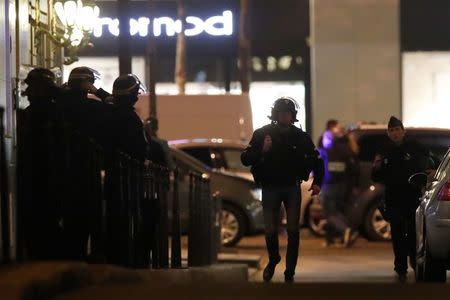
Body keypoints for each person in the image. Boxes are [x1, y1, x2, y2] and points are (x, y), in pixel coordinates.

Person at [241, 97, 323, 283]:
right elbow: (245, 158)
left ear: (293, 115)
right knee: (270, 229)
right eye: (281, 113)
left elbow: (316, 160)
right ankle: (273, 259)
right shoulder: (263, 133)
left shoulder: (300, 136)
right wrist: (262, 150)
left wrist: (318, 181)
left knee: (293, 230)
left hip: (292, 186)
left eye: (288, 113)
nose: (284, 116)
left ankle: (289, 272)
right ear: (275, 114)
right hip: (270, 186)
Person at [371, 116, 436, 282]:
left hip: (413, 196)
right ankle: (400, 266)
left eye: (397, 130)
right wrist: (376, 167)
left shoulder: (415, 146)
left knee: (414, 233)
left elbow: (431, 160)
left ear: (403, 131)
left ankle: (415, 262)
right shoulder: (384, 150)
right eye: (391, 130)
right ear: (388, 133)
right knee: (397, 233)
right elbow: (376, 177)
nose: (395, 133)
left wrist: (432, 170)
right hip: (393, 197)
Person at [17, 68, 64, 259]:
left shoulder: (44, 114)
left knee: (41, 225)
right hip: (43, 177)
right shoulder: (54, 112)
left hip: (43, 176)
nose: (28, 92)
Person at [318, 120, 359, 247]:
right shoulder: (346, 147)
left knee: (329, 213)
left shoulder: (325, 146)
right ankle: (332, 238)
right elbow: (352, 167)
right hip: (342, 184)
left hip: (329, 184)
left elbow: (319, 163)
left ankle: (346, 230)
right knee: (336, 212)